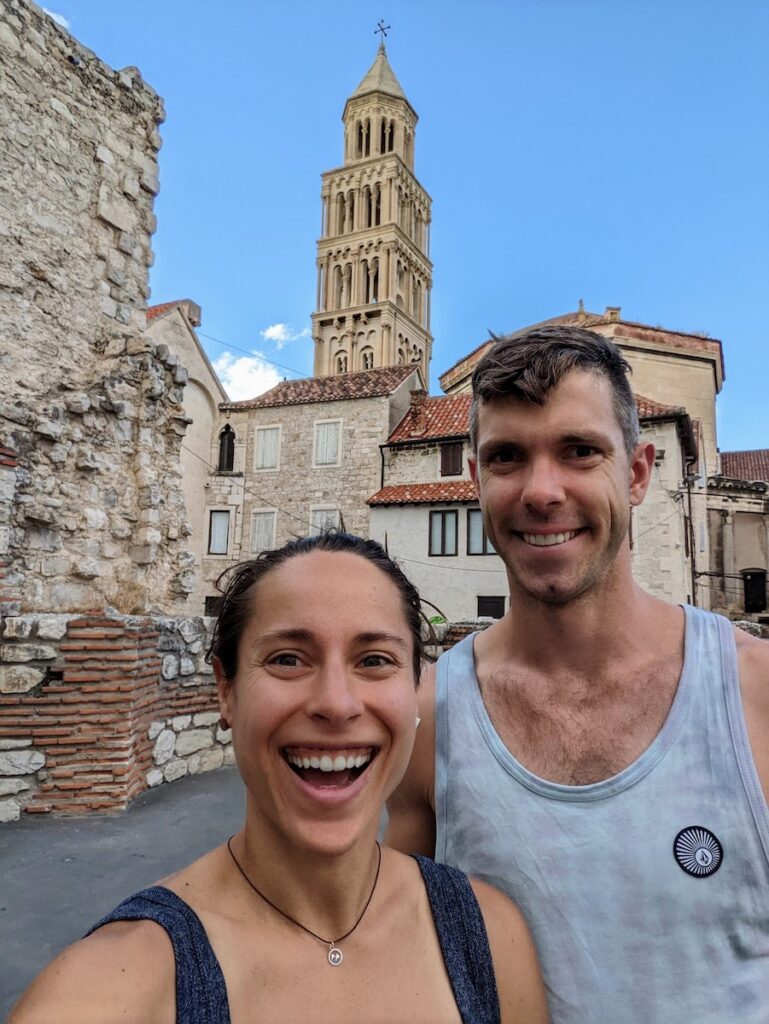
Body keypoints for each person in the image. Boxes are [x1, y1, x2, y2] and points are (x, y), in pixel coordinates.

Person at [387, 326, 769, 1023]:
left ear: (637, 473)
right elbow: (394, 958)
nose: (540, 491)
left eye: (579, 452)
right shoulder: (429, 717)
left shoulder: (755, 693)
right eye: (506, 458)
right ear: (475, 482)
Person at [10, 532, 548, 1024]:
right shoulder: (108, 992)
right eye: (288, 659)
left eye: (375, 660)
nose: (336, 704)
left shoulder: (493, 938)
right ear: (226, 690)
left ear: (414, 688)